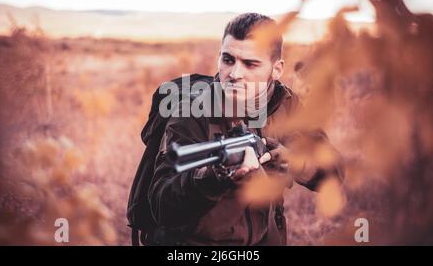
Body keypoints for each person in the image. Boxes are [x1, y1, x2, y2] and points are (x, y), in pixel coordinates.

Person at [141, 13, 343, 245]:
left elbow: (334, 173)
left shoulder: (285, 104)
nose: (235, 74)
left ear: (276, 70)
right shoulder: (191, 112)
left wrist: (294, 162)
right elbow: (162, 206)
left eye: (250, 64)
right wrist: (214, 177)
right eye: (228, 60)